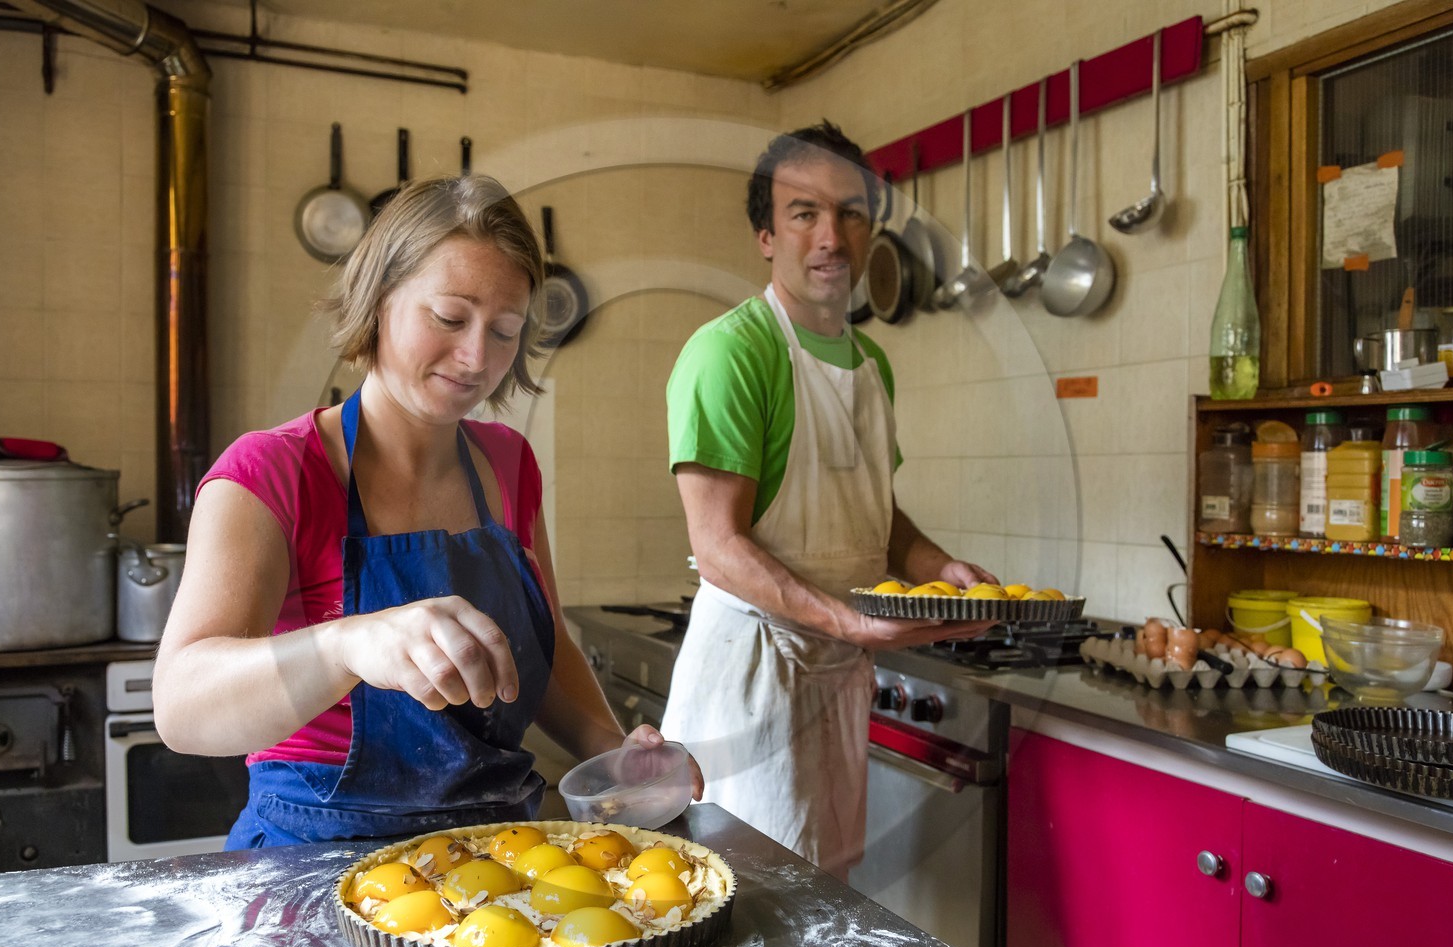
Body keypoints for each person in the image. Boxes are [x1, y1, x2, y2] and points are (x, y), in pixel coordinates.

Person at [153, 174, 699, 848]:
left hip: (496, 849)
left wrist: (615, 750)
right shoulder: (272, 470)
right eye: (448, 318)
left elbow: (545, 644)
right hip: (314, 852)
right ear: (380, 302)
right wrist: (350, 643)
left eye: (505, 331)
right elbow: (181, 706)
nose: (476, 358)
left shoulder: (508, 463)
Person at [661, 122, 996, 879]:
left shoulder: (870, 364)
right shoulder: (731, 352)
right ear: (766, 236)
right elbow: (717, 545)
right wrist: (851, 619)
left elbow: (877, 511)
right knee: (751, 916)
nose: (831, 237)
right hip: (754, 679)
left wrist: (938, 564)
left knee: (826, 902)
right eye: (804, 213)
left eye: (850, 213)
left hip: (836, 677)